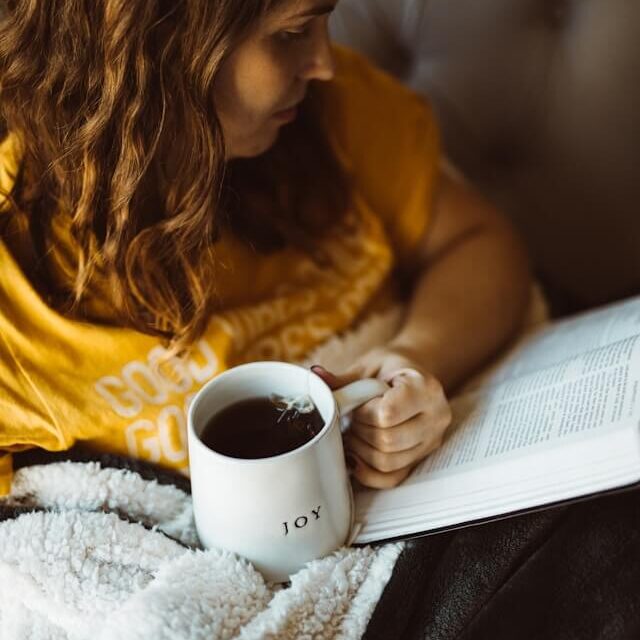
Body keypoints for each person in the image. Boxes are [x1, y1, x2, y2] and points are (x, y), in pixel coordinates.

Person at [0, 0, 530, 495]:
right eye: (293, 33)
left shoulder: (333, 108)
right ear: (157, 41)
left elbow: (479, 242)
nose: (323, 63)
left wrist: (415, 356)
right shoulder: (13, 274)